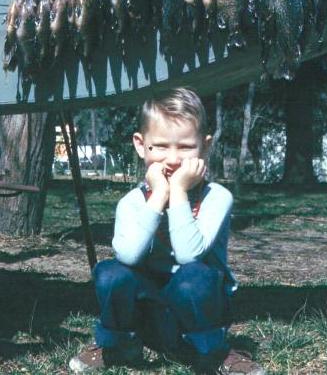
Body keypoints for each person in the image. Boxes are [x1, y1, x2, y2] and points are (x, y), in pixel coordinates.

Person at [69, 87, 265, 375]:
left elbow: (189, 255)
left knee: (194, 277)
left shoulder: (217, 197)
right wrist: (159, 195)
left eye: (186, 147)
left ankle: (214, 351)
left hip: (198, 308)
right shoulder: (132, 202)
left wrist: (178, 192)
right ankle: (118, 344)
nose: (173, 159)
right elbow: (130, 256)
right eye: (160, 146)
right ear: (140, 144)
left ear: (205, 146)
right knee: (109, 272)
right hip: (148, 310)